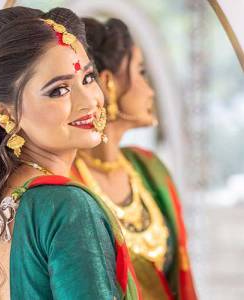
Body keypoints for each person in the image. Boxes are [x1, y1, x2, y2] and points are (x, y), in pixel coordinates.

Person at [0, 7, 142, 299]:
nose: (89, 101)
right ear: (3, 112)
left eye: (87, 78)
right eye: (59, 90)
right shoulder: (67, 207)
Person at [72, 17, 197, 300]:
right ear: (108, 83)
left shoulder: (149, 168)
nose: (150, 90)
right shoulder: (68, 182)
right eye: (140, 72)